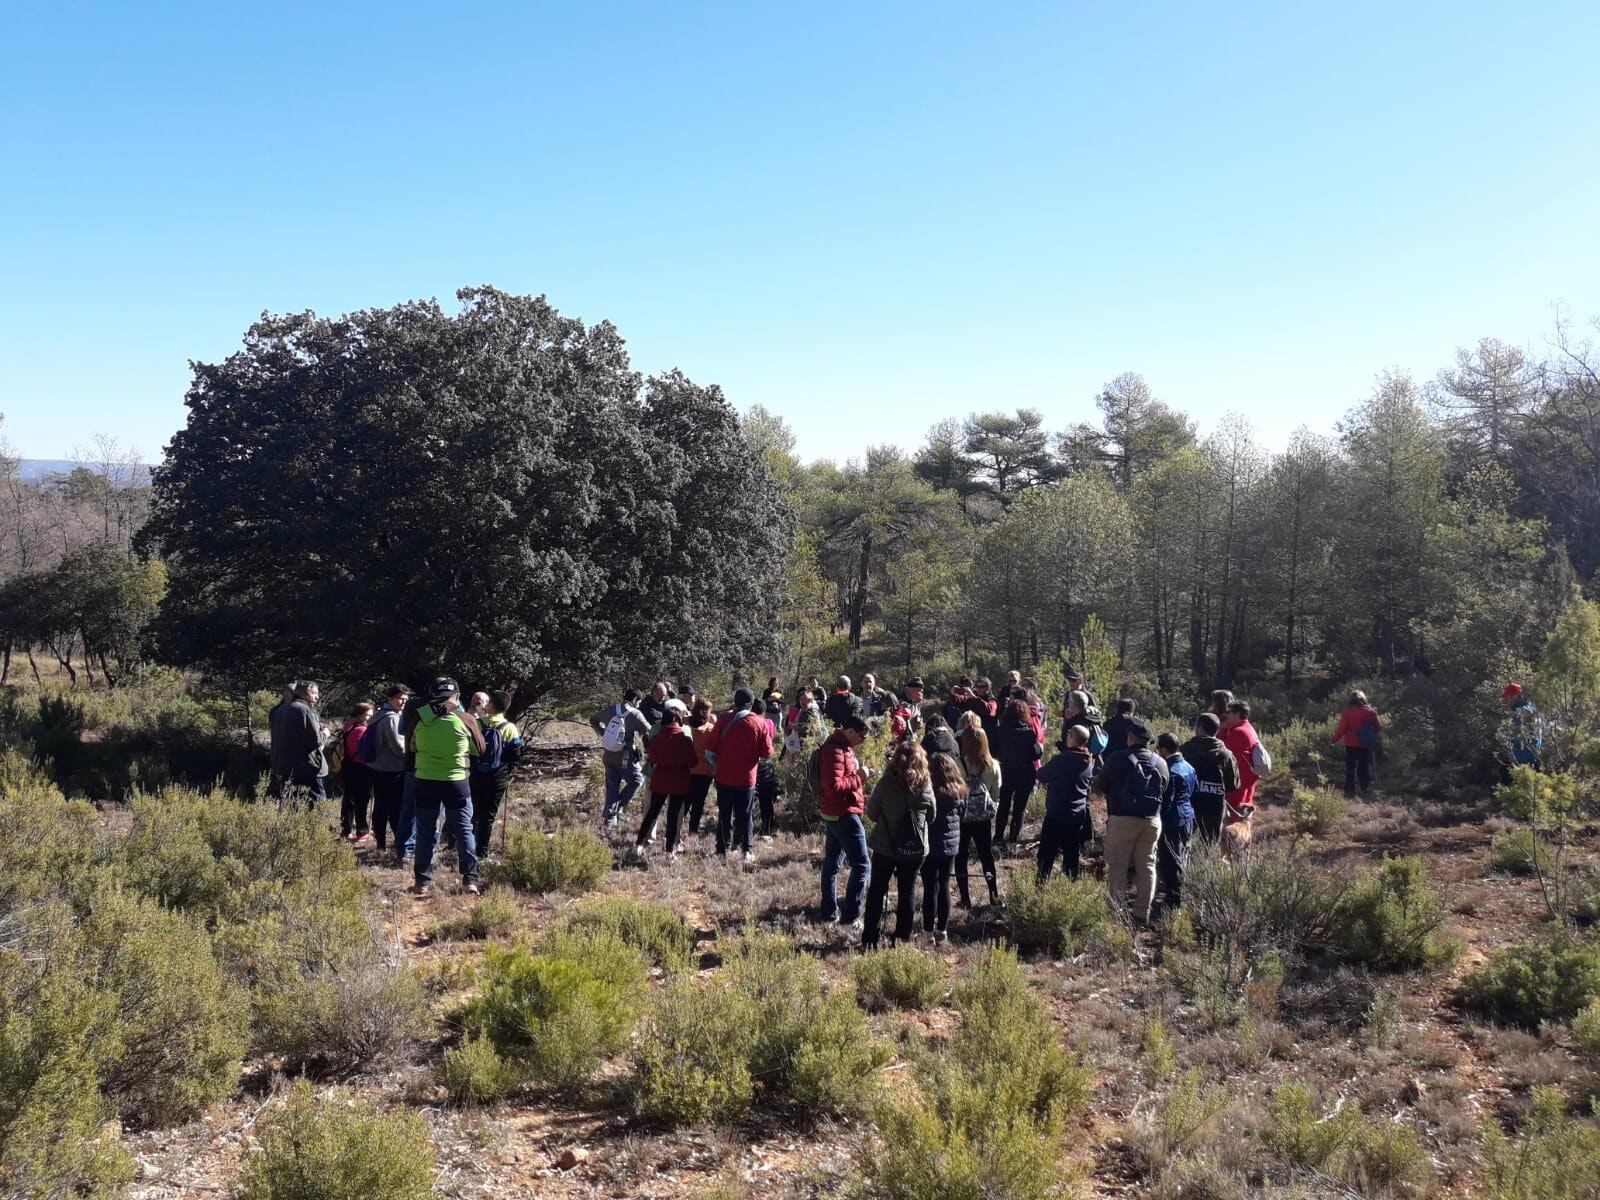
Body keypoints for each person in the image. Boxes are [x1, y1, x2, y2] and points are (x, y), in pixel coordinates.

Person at [411, 677, 484, 898]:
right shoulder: (466, 719)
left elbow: (410, 747)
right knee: (463, 830)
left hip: (425, 780)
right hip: (456, 781)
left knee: (424, 832)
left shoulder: (420, 718)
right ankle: (470, 880)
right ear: (458, 697)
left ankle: (422, 881)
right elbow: (479, 749)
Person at [862, 740, 935, 950]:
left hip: (886, 846)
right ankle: (902, 938)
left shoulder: (886, 783)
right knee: (907, 891)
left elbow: (872, 814)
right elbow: (932, 816)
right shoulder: (925, 785)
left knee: (877, 891)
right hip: (915, 848)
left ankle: (870, 939)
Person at [1095, 717, 1169, 925]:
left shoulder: (1117, 758)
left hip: (1122, 819)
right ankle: (1142, 913)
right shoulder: (1161, 763)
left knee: (1118, 866)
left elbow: (1100, 786)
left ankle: (1117, 913)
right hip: (1152, 820)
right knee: (1147, 865)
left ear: (1130, 737)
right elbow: (1164, 789)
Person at [706, 688, 775, 864]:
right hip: (747, 778)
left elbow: (709, 749)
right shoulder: (759, 723)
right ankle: (747, 851)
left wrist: (718, 764)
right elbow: (767, 752)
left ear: (735, 702)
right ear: (751, 704)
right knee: (745, 815)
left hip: (724, 776)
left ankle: (721, 850)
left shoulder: (723, 720)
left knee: (724, 814)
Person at [818, 715, 872, 927]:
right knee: (862, 864)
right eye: (861, 736)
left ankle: (829, 912)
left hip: (835, 812)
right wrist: (860, 776)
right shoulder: (835, 750)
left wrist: (859, 774)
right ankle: (850, 918)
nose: (863, 740)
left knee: (832, 863)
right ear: (850, 731)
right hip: (843, 813)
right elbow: (835, 786)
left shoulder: (843, 747)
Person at [632, 703, 698, 863]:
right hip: (679, 781)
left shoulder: (656, 739)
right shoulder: (685, 739)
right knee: (673, 816)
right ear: (677, 720)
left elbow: (653, 759)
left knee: (652, 812)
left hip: (660, 779)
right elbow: (693, 762)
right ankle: (669, 851)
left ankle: (638, 844)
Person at [1036, 726, 1095, 882]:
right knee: (1071, 854)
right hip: (1077, 816)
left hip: (1057, 814)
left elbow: (1041, 775)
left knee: (1046, 855)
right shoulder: (1089, 760)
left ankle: (1040, 887)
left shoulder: (1061, 760)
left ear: (1070, 737)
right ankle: (1070, 885)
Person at [920, 750, 967, 945]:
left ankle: (928, 932)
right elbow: (963, 817)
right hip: (951, 846)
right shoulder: (959, 791)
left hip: (930, 845)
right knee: (945, 885)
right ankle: (942, 931)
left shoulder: (927, 792)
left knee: (930, 887)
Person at [955, 724, 1002, 909]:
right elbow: (996, 794)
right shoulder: (994, 765)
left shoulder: (958, 763)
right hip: (983, 818)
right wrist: (991, 809)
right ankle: (994, 896)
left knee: (961, 857)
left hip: (962, 817)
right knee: (986, 856)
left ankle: (965, 899)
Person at [470, 690, 522, 855]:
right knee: (489, 815)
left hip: (476, 774)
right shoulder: (510, 728)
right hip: (498, 777)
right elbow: (515, 754)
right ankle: (481, 853)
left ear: (491, 706)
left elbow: (470, 749)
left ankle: (466, 848)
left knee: (474, 812)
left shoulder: (477, 724)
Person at [591, 688, 652, 828]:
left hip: (608, 755)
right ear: (636, 700)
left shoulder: (612, 709)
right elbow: (649, 730)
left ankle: (610, 820)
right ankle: (617, 807)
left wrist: (604, 733)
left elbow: (593, 719)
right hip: (625, 757)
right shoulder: (635, 714)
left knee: (612, 786)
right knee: (637, 779)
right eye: (639, 702)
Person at [991, 698, 1043, 852]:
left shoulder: (1001, 731)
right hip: (1025, 773)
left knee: (1004, 806)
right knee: (1019, 808)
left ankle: (998, 838)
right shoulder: (1028, 733)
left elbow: (993, 750)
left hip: (1006, 771)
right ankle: (1013, 840)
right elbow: (1036, 755)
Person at [1154, 732, 1197, 918]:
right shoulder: (1188, 767)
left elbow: (1167, 802)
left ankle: (1174, 899)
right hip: (1187, 817)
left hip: (1172, 821)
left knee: (1170, 861)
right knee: (1183, 857)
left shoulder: (1170, 770)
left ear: (1164, 749)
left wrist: (1157, 817)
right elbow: (1194, 789)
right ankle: (1178, 894)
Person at [1181, 712, 1242, 843]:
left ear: (1200, 729)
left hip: (1189, 805)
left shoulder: (1185, 750)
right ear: (1216, 730)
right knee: (1209, 846)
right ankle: (1205, 864)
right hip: (1214, 807)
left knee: (1182, 843)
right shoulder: (1226, 755)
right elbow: (1234, 785)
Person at [365, 685, 411, 854]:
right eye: (400, 698)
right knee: (394, 808)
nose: (404, 702)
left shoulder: (378, 715)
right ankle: (397, 844)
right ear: (390, 698)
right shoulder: (391, 718)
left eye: (406, 699)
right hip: (392, 770)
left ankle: (381, 843)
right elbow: (398, 748)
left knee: (381, 806)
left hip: (377, 768)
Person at [268, 679, 327, 803]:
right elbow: (314, 741)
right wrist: (325, 734)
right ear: (306, 693)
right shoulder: (304, 710)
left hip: (285, 768)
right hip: (307, 769)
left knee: (291, 805)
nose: (317, 697)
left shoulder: (279, 710)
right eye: (315, 693)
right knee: (317, 806)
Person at [1219, 701, 1265, 839]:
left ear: (1237, 714)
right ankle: (1243, 844)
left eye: (1229, 712)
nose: (1226, 715)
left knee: (1235, 816)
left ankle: (1233, 846)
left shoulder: (1239, 732)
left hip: (1238, 783)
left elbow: (1220, 750)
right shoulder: (1247, 728)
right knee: (1244, 814)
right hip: (1246, 780)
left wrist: (1222, 728)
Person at [1329, 690, 1382, 798]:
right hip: (1365, 744)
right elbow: (1378, 728)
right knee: (1363, 767)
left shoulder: (1347, 713)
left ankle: (1349, 791)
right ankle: (1364, 788)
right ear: (1364, 699)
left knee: (1350, 768)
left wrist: (1332, 740)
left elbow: (1341, 730)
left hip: (1351, 744)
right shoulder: (1371, 712)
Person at [338, 702, 374, 840]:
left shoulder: (348, 725)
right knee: (361, 800)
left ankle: (346, 830)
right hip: (360, 768)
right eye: (367, 715)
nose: (369, 718)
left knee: (349, 798)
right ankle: (362, 831)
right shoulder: (361, 730)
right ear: (360, 714)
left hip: (347, 765)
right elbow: (362, 753)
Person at [686, 698, 719, 834]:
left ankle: (676, 825)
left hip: (687, 768)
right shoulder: (710, 729)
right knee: (698, 802)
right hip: (704, 770)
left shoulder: (685, 724)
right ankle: (693, 829)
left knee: (685, 799)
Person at [1501, 683, 1544, 767]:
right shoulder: (1530, 707)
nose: (1506, 700)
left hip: (1524, 759)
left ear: (1515, 696)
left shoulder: (1521, 712)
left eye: (1508, 697)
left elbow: (1518, 737)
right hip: (1534, 756)